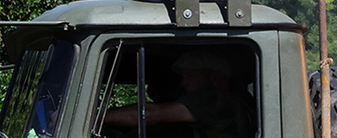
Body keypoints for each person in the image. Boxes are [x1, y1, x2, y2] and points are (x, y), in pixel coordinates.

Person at [105, 49, 256, 138]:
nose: (183, 83)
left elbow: (152, 115)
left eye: (189, 76)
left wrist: (97, 118)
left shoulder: (217, 100)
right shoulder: (239, 102)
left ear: (216, 78)